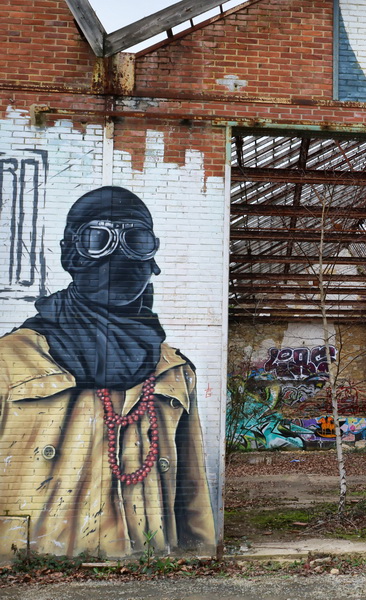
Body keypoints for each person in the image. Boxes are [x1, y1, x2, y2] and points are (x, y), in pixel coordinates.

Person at [0, 186, 215, 558]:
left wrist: (200, 556)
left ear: (152, 259)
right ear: (70, 252)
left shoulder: (173, 370)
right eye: (98, 240)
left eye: (136, 240)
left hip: (148, 567)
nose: (118, 256)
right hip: (38, 566)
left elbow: (192, 494)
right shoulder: (11, 360)